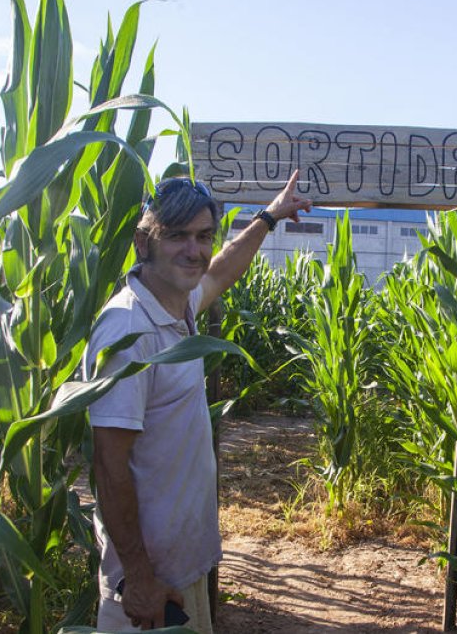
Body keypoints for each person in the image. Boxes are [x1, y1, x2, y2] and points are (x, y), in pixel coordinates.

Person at [85, 170, 312, 632]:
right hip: (147, 588)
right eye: (177, 236)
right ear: (143, 243)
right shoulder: (129, 331)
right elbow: (109, 466)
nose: (194, 250)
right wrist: (139, 577)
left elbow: (222, 269)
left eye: (204, 235)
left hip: (180, 572)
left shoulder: (177, 305)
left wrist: (269, 217)